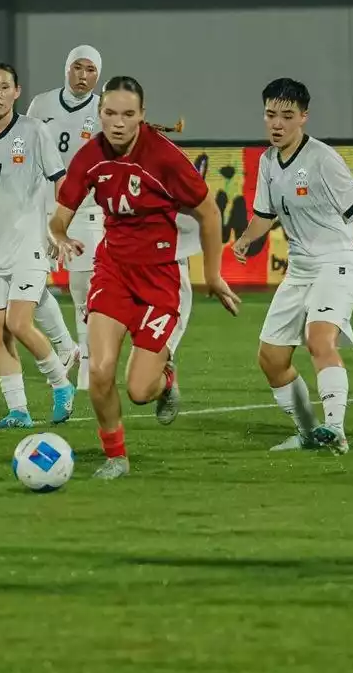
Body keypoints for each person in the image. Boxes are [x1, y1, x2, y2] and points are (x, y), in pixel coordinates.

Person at [51, 76, 241, 479]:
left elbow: (209, 214)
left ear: (142, 116)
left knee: (139, 390)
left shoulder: (165, 158)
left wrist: (212, 274)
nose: (117, 123)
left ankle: (166, 378)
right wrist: (60, 235)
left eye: (127, 114)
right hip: (113, 271)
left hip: (158, 280)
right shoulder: (90, 156)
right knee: (100, 371)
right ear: (99, 113)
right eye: (109, 113)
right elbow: (59, 216)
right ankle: (116, 457)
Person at [233, 78, 353, 454]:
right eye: (270, 115)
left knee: (319, 338)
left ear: (304, 118)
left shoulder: (323, 159)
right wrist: (247, 239)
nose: (277, 124)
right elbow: (265, 214)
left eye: (287, 116)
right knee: (271, 358)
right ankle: (308, 432)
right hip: (300, 270)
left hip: (337, 263)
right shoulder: (267, 161)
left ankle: (335, 430)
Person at [0, 63, 77, 428]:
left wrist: (58, 228)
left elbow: (61, 180)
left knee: (18, 322)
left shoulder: (34, 131)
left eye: (4, 87)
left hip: (29, 243)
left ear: (16, 92)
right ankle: (19, 410)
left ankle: (61, 385)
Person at [27, 45, 102, 387]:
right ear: (66, 69)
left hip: (86, 210)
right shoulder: (40, 105)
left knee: (82, 289)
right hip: (41, 209)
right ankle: (66, 345)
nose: (83, 75)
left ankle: (87, 365)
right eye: (77, 68)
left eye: (90, 70)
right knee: (29, 283)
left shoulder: (104, 110)